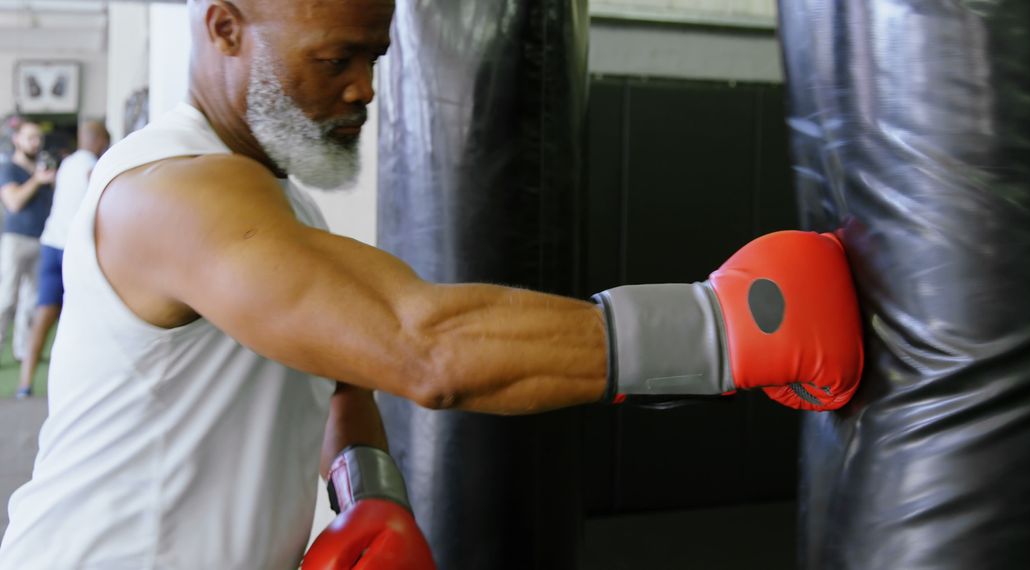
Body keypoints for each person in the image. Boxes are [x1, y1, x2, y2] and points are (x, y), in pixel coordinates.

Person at [0, 1, 864, 568]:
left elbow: (342, 378)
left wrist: (367, 498)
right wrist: (725, 328)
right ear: (225, 27)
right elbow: (423, 348)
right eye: (337, 57)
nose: (365, 88)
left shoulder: (270, 193)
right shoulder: (175, 194)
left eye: (376, 56)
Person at [14, 120, 110, 399]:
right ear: (102, 141)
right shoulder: (94, 166)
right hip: (73, 250)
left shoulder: (66, 164)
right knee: (81, 319)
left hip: (50, 243)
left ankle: (25, 384)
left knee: (43, 314)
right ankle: (79, 387)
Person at [0, 120, 55, 376]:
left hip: (41, 239)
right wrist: (37, 180)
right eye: (30, 138)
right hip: (16, 239)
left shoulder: (44, 168)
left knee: (30, 302)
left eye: (38, 138)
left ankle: (23, 352)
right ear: (17, 140)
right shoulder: (9, 168)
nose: (35, 142)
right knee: (6, 299)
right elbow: (13, 203)